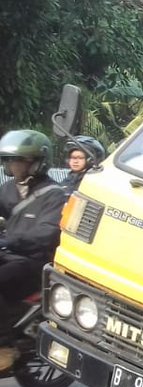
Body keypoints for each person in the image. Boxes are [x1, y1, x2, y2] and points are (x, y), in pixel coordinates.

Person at [0, 130, 69, 372]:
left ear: (37, 162)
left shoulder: (54, 195)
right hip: (8, 253)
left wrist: (10, 240)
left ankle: (4, 345)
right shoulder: (8, 189)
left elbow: (46, 233)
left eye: (19, 160)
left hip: (34, 261)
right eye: (10, 160)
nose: (13, 165)